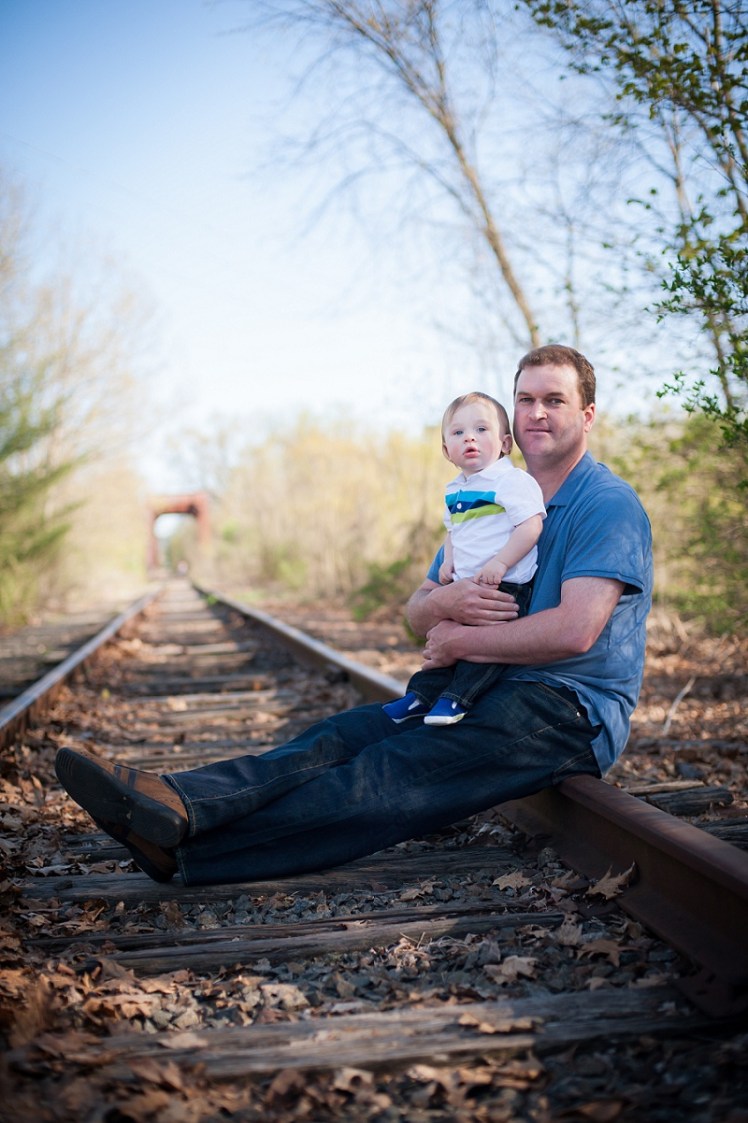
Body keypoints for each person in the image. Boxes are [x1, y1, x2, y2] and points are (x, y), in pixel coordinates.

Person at [55, 344, 653, 887]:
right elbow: (417, 612)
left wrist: (461, 645)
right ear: (511, 416)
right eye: (526, 399)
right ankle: (180, 801)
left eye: (556, 400)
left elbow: (577, 630)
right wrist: (444, 606)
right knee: (339, 735)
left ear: (588, 415)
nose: (538, 413)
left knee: (391, 771)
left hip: (567, 707)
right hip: (485, 686)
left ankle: (187, 852)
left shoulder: (606, 504)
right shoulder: (490, 493)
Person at [383, 390, 545, 726]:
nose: (469, 437)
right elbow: (454, 530)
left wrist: (501, 562)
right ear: (447, 451)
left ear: (504, 443)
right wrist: (448, 561)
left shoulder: (511, 481)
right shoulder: (455, 490)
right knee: (442, 642)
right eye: (458, 433)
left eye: (481, 430)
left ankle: (457, 701)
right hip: (463, 584)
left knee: (480, 648)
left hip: (504, 584)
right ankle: (419, 697)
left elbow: (531, 526)